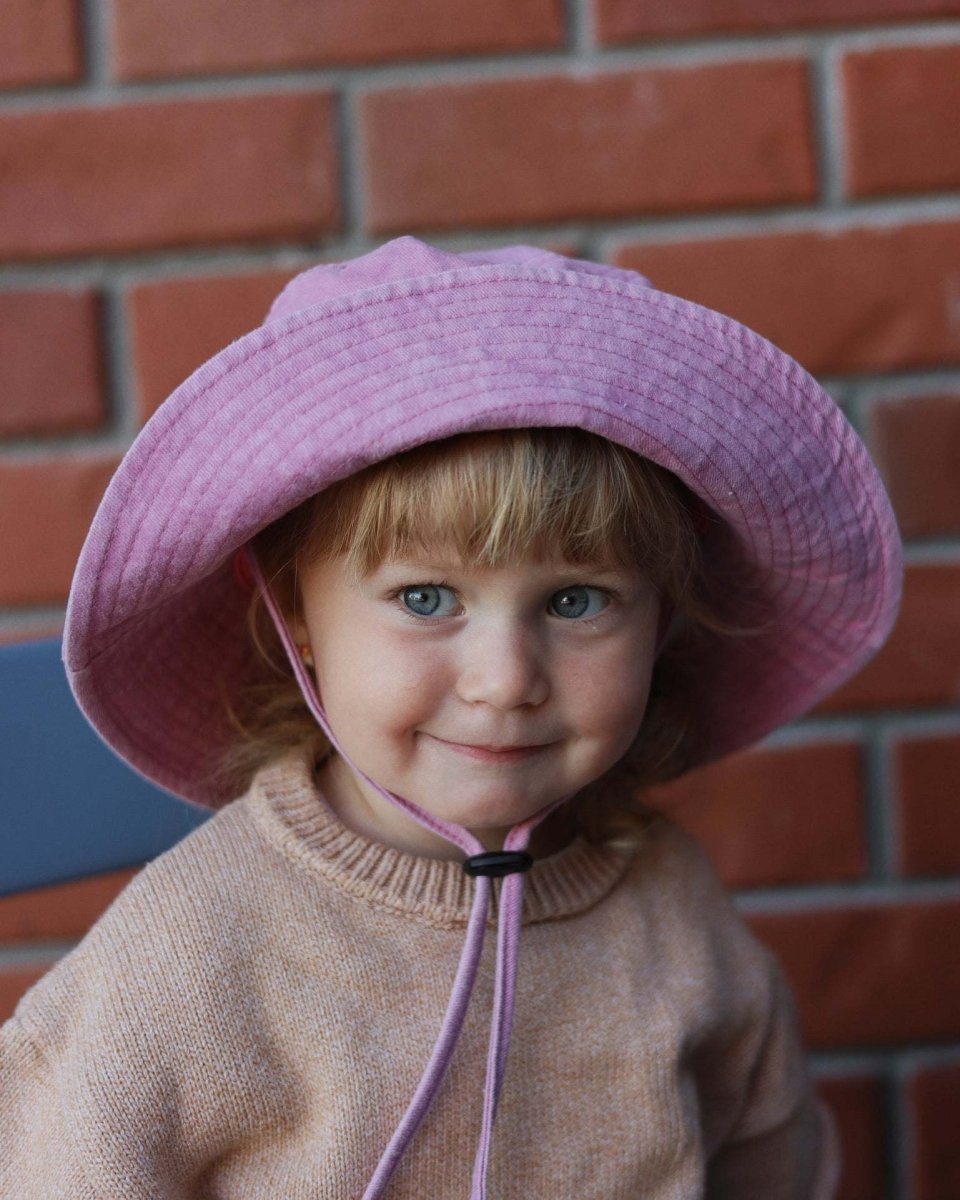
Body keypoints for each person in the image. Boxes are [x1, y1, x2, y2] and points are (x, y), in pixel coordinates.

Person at [0, 236, 902, 1198]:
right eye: (426, 598)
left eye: (577, 600)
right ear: (295, 610)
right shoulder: (181, 964)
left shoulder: (678, 920)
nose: (505, 681)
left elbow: (772, 1165)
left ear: (664, 614)